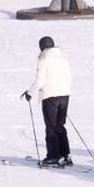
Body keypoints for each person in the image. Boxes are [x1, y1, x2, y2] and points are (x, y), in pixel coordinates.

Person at [24, 36, 72, 166]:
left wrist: (30, 93)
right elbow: (68, 77)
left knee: (51, 127)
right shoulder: (63, 59)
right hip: (65, 95)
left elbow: (40, 81)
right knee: (60, 126)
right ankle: (66, 155)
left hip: (50, 96)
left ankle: (53, 156)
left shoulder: (43, 61)